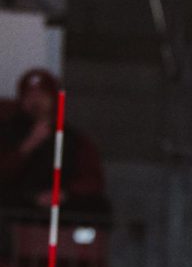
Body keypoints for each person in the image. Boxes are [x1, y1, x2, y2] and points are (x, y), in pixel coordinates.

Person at [0, 68, 110, 220]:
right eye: (29, 95)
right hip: (18, 201)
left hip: (61, 202)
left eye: (41, 95)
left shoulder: (73, 138)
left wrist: (63, 194)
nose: (35, 100)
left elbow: (93, 180)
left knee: (98, 206)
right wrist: (27, 147)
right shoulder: (7, 131)